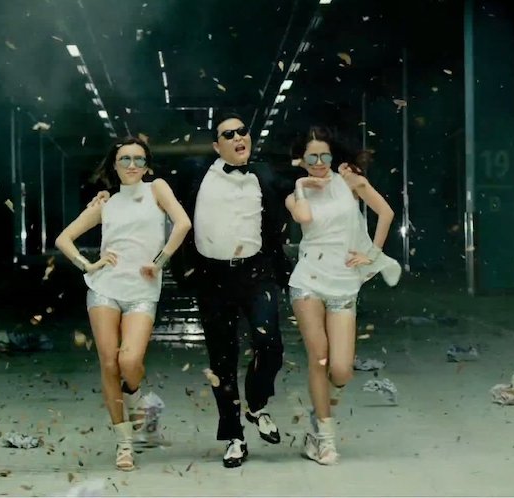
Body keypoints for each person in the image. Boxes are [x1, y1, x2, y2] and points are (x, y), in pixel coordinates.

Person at [55, 137, 191, 471]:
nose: (132, 165)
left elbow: (183, 223)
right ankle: (124, 443)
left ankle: (142, 400)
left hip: (142, 290)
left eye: (138, 159)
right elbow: (63, 238)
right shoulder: (105, 203)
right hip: (104, 288)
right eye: (124, 159)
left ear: (147, 165)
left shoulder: (157, 189)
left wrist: (159, 261)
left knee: (129, 361)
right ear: (114, 166)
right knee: (109, 363)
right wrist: (87, 265)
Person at [170, 112, 295, 468]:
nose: (239, 137)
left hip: (257, 272)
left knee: (270, 345)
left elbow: (303, 185)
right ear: (216, 146)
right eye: (229, 134)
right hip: (213, 277)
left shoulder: (265, 173)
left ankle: (257, 404)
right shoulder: (196, 175)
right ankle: (234, 436)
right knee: (222, 359)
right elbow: (153, 190)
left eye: (243, 131)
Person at [285, 126, 401, 465]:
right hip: (307, 281)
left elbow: (386, 213)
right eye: (312, 157)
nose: (320, 162)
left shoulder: (349, 181)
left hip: (344, 283)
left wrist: (373, 254)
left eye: (325, 155)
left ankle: (319, 413)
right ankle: (324, 438)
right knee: (319, 358)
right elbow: (304, 217)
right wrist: (301, 185)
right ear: (301, 160)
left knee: (341, 370)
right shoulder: (295, 196)